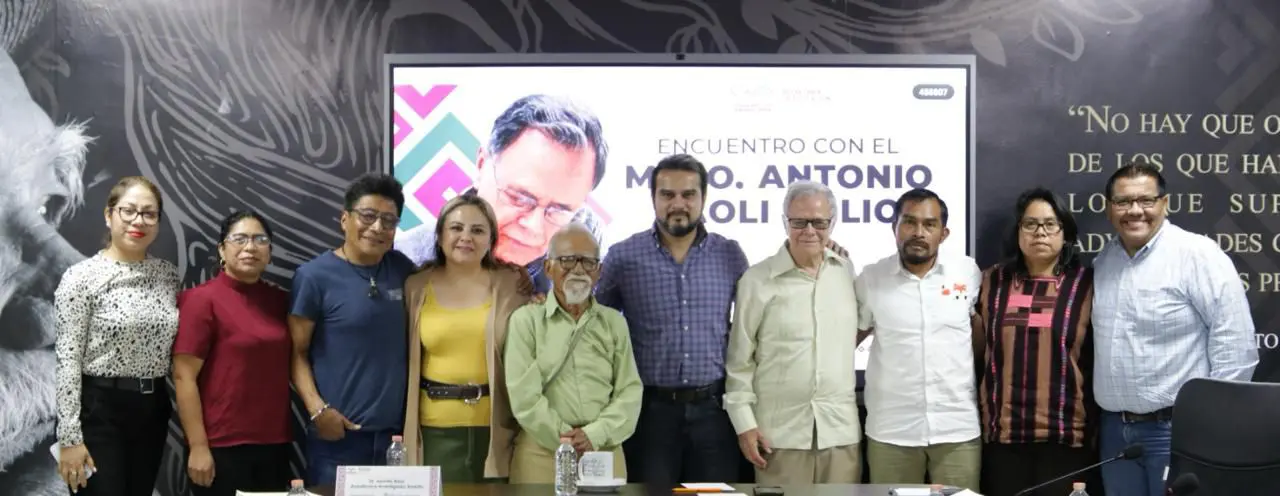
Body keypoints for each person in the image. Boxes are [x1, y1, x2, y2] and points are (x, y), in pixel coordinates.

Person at [1092, 162, 1257, 496]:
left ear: (1164, 204)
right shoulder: (1104, 261)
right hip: (1114, 432)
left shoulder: (1197, 255)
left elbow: (1236, 345)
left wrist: (1210, 423)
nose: (1134, 210)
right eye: (1123, 202)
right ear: (1109, 209)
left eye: (1146, 200)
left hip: (1177, 431)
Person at [594, 154, 748, 486]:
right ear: (653, 199)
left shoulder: (730, 255)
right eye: (667, 194)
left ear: (703, 198)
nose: (678, 203)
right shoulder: (623, 257)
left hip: (714, 412)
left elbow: (758, 321)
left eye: (688, 194)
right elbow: (589, 323)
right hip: (649, 413)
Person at [396, 94, 609, 293]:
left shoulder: (597, 257)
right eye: (519, 198)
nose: (534, 229)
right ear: (481, 165)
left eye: (558, 210)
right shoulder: (404, 267)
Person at [725, 181, 862, 484]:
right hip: (778, 438)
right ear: (785, 222)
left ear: (832, 223)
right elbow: (739, 361)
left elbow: (861, 327)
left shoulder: (845, 272)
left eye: (819, 222)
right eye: (799, 222)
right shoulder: (757, 280)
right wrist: (744, 424)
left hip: (839, 434)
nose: (809, 231)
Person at [53, 176, 180, 496]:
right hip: (99, 410)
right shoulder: (80, 277)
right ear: (109, 216)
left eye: (149, 213)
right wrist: (69, 439)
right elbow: (67, 358)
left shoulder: (166, 274)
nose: (139, 221)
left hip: (152, 408)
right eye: (129, 211)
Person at [289, 174, 417, 487]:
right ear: (345, 219)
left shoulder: (403, 270)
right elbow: (296, 353)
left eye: (388, 220)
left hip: (396, 439)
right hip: (337, 438)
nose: (377, 228)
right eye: (368, 216)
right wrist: (319, 412)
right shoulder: (313, 276)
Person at [399, 194, 534, 482]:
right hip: (434, 428)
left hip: (498, 428)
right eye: (456, 228)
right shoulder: (414, 287)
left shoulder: (513, 285)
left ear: (491, 240)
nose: (466, 237)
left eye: (477, 230)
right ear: (439, 235)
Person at [974, 188, 1098, 496]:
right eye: (1030, 224)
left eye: (1049, 224)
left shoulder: (1087, 285)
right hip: (1004, 439)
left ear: (1065, 232)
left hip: (1065, 439)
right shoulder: (991, 282)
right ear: (1017, 231)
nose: (1039, 232)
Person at [856, 188, 983, 489]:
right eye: (909, 223)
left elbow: (978, 338)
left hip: (957, 428)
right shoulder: (870, 279)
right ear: (895, 228)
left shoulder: (967, 272)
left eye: (929, 224)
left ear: (944, 232)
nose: (918, 232)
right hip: (891, 431)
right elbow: (849, 339)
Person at [504, 224, 643, 484]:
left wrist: (595, 433)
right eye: (567, 260)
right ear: (548, 268)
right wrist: (565, 437)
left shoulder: (613, 322)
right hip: (541, 452)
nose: (578, 270)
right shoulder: (527, 320)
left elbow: (630, 390)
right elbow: (524, 396)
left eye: (588, 262)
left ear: (599, 272)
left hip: (604, 450)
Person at [173, 211, 292, 495]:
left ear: (270, 252)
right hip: (220, 446)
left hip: (274, 442)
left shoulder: (280, 301)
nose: (250, 247)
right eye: (239, 239)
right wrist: (198, 446)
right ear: (222, 249)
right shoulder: (201, 300)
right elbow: (183, 377)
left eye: (260, 240)